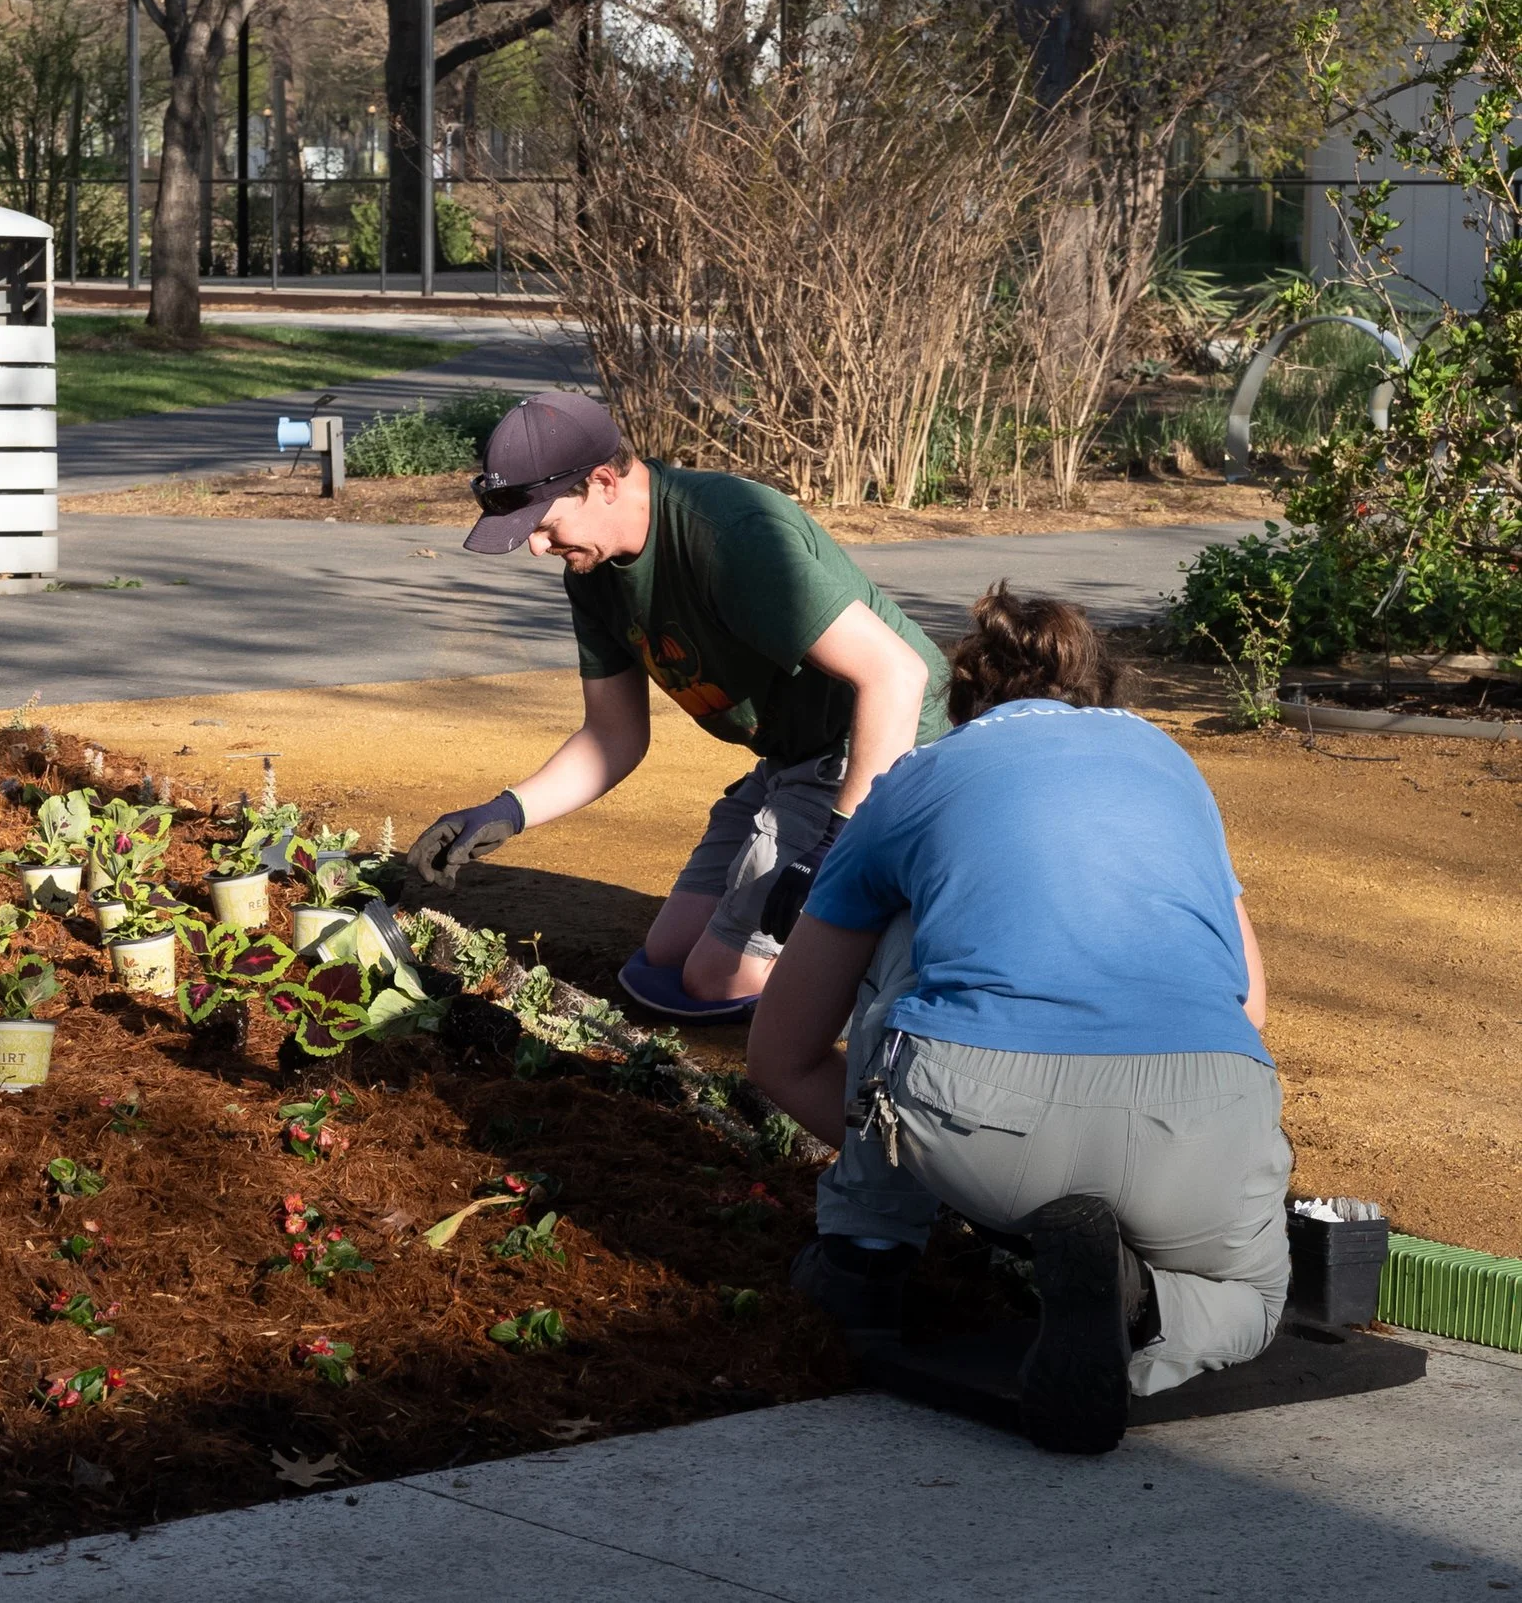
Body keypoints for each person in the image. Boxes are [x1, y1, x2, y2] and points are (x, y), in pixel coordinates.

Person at [747, 586, 1285, 1455]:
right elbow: (1250, 1006)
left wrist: (921, 1160)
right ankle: (1143, 1299)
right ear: (1101, 693)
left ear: (965, 703)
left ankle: (866, 1258)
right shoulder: (1170, 763)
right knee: (1253, 1302)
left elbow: (779, 1054)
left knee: (904, 921)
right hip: (1204, 1125)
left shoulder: (919, 777)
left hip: (985, 1128)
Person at [406, 391, 950, 1020]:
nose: (535, 546)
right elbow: (614, 736)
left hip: (883, 751)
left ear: (603, 482)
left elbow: (897, 675)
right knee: (666, 956)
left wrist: (839, 849)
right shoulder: (595, 573)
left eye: (544, 525)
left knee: (718, 981)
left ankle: (903, 950)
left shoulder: (731, 534)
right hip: (792, 757)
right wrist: (504, 811)